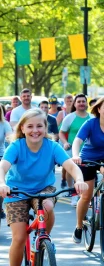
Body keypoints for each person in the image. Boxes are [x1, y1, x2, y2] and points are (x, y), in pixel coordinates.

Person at [0, 108, 88, 266]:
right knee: (19, 238)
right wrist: (2, 184)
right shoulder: (16, 146)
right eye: (30, 126)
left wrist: (79, 179)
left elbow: (71, 167)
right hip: (16, 191)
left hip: (43, 189)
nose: (35, 130)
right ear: (22, 128)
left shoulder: (52, 146)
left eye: (39, 126)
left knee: (48, 205)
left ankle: (44, 238)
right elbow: (1, 168)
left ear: (45, 128)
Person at [71, 97, 104, 244]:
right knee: (86, 195)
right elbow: (77, 141)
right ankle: (79, 226)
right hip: (88, 159)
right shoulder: (91, 123)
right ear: (98, 109)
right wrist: (75, 156)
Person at [59, 93, 92, 206]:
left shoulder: (92, 117)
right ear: (75, 104)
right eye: (79, 101)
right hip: (73, 150)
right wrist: (65, 142)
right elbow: (62, 133)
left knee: (86, 173)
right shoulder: (70, 117)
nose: (81, 103)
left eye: (83, 101)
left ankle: (87, 194)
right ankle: (71, 190)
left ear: (86, 103)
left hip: (88, 151)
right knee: (70, 170)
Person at [56, 94, 73, 188]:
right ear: (65, 102)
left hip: (73, 139)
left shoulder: (76, 112)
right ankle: (63, 178)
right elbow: (56, 126)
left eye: (71, 101)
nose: (69, 103)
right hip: (64, 140)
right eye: (67, 101)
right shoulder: (62, 113)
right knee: (66, 162)